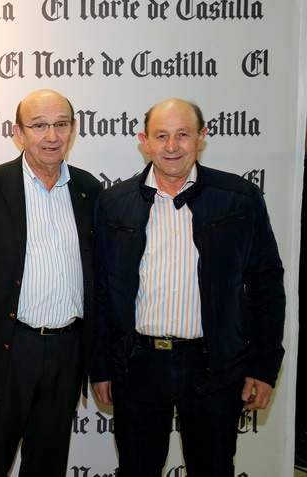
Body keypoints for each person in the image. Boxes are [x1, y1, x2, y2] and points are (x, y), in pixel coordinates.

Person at [90, 98, 286, 477]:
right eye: (161, 136)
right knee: (136, 469)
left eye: (182, 135)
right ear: (143, 141)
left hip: (214, 366)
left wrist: (263, 367)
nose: (171, 146)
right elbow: (102, 293)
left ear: (202, 138)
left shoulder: (239, 199)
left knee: (213, 469)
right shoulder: (115, 203)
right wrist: (101, 368)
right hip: (138, 366)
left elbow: (266, 287)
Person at [0, 89, 101, 477]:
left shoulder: (90, 191)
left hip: (67, 353)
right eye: (39, 126)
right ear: (18, 133)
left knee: (48, 466)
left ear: (73, 130)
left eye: (60, 125)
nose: (51, 136)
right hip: (6, 351)